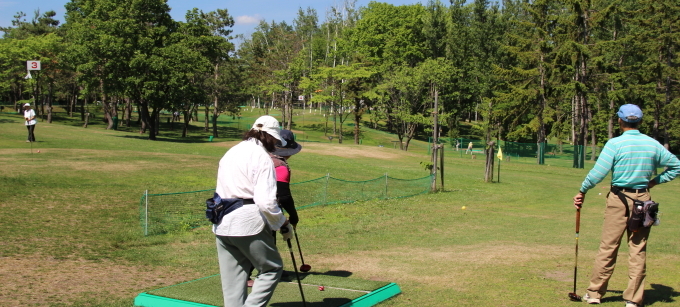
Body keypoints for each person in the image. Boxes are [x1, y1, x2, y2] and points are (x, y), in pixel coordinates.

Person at [573, 104, 680, 307]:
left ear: (620, 121)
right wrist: (654, 181)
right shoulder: (653, 144)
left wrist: (582, 190)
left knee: (608, 247)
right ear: (639, 121)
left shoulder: (615, 144)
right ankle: (633, 299)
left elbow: (598, 173)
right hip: (643, 200)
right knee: (637, 249)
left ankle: (595, 293)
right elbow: (676, 166)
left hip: (618, 198)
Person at [213, 115, 293, 307]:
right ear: (269, 137)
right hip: (247, 222)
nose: (275, 145)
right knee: (271, 269)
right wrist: (282, 223)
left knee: (233, 281)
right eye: (275, 140)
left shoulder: (231, 152)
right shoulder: (262, 157)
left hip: (221, 221)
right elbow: (265, 202)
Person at [247, 129, 303, 287]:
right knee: (262, 242)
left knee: (268, 240)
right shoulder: (280, 166)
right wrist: (293, 215)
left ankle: (270, 270)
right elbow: (284, 195)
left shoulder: (262, 158)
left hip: (251, 207)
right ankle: (248, 275)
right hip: (264, 208)